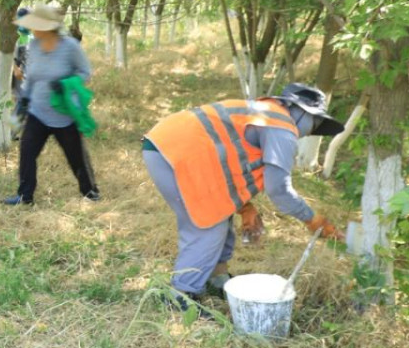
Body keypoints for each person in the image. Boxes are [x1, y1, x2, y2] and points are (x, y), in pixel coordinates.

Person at [142, 83, 347, 314]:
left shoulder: (264, 113)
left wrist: (245, 207)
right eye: (315, 122)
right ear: (297, 109)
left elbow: (228, 163)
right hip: (174, 152)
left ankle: (217, 279)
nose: (311, 130)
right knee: (207, 227)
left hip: (168, 146)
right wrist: (313, 220)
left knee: (219, 215)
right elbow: (279, 189)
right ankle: (180, 298)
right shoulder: (281, 126)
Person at [2, 4, 100, 205]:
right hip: (37, 111)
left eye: (36, 26)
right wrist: (24, 99)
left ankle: (90, 192)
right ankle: (25, 195)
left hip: (64, 113)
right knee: (27, 152)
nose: (33, 30)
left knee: (76, 157)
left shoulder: (70, 47)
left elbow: (85, 72)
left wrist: (65, 83)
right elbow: (31, 77)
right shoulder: (34, 46)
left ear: (48, 27)